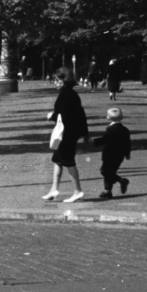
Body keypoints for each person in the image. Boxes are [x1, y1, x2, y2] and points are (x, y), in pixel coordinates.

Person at [43, 69, 90, 202]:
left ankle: (77, 190)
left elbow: (62, 115)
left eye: (58, 80)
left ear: (65, 80)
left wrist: (51, 116)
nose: (55, 83)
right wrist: (85, 133)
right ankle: (54, 189)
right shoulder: (72, 94)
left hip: (67, 133)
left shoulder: (65, 94)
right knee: (57, 159)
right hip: (71, 132)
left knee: (68, 161)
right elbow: (81, 114)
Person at [92, 107, 132, 198]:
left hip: (109, 154)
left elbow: (106, 139)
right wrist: (127, 153)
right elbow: (128, 142)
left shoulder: (110, 129)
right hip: (119, 155)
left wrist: (94, 141)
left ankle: (121, 180)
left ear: (108, 117)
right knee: (111, 171)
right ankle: (107, 191)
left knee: (105, 171)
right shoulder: (125, 130)